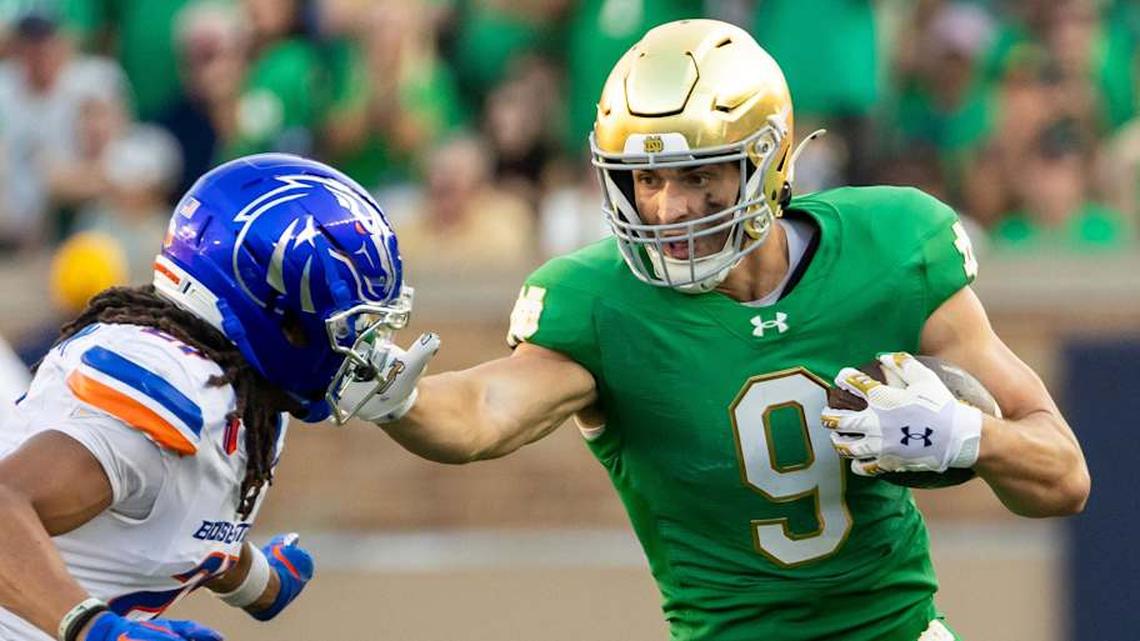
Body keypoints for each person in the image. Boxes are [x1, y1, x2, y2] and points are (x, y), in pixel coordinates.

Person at [340, 19, 1091, 641]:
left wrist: (962, 434)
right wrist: (398, 398)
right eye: (648, 179)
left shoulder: (893, 246)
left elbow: (1064, 475)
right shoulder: (601, 301)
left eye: (698, 175)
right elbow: (483, 413)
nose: (667, 209)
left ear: (765, 163)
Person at [0, 153, 412, 641]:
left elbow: (164, 510)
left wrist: (258, 580)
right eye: (349, 324)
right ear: (276, 312)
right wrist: (94, 629)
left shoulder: (245, 397)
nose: (363, 344)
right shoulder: (171, 386)